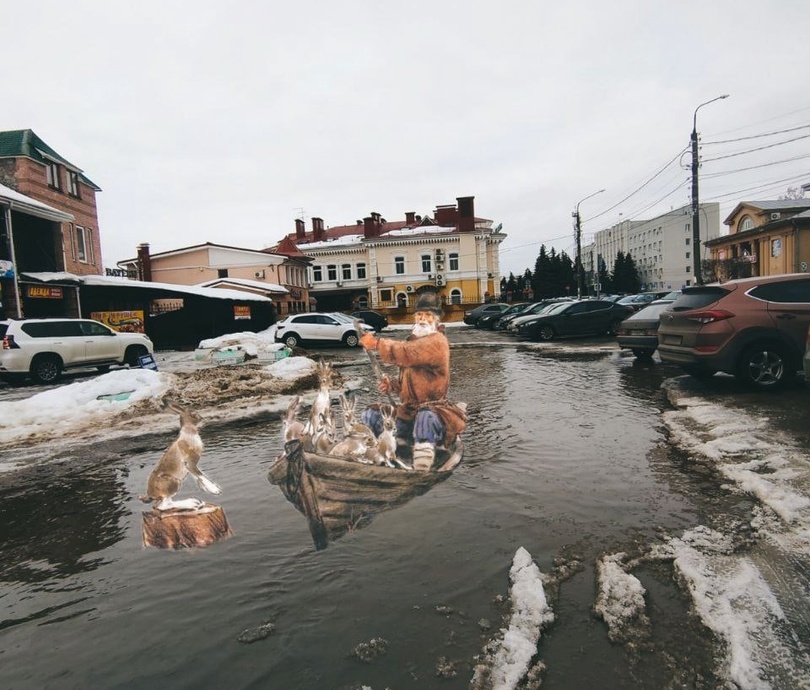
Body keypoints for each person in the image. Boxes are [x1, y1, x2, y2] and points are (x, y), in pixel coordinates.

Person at [359, 291, 466, 470]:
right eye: (419, 314)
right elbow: (408, 381)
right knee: (371, 414)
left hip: (434, 414)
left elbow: (407, 352)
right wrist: (391, 385)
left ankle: (422, 466)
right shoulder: (414, 342)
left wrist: (377, 344)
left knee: (425, 417)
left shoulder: (437, 342)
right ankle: (375, 453)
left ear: (436, 319)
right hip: (408, 414)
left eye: (428, 315)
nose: (422, 318)